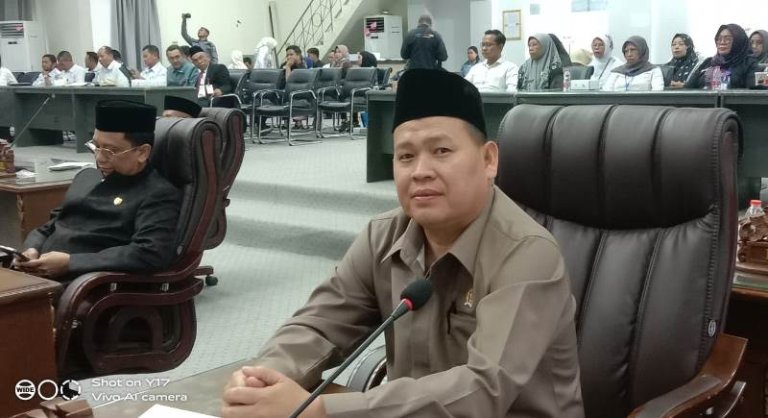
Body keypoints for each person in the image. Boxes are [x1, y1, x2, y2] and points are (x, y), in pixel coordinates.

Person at [221, 69, 583, 418]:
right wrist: (266, 376)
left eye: (441, 151)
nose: (420, 171)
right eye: (406, 156)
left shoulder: (527, 252)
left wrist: (322, 411)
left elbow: (484, 388)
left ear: (488, 159)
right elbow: (320, 324)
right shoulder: (383, 236)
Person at [13, 100, 181, 280]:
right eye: (96, 146)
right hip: (37, 275)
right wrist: (31, 250)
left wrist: (71, 263)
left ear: (142, 152)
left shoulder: (157, 193)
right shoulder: (86, 177)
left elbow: (149, 252)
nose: (100, 158)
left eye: (111, 150)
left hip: (83, 283)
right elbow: (50, 226)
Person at [686, 24, 763, 89]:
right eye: (719, 39)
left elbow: (756, 94)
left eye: (727, 39)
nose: (722, 42)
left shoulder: (751, 64)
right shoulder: (708, 62)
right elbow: (688, 87)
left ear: (738, 41)